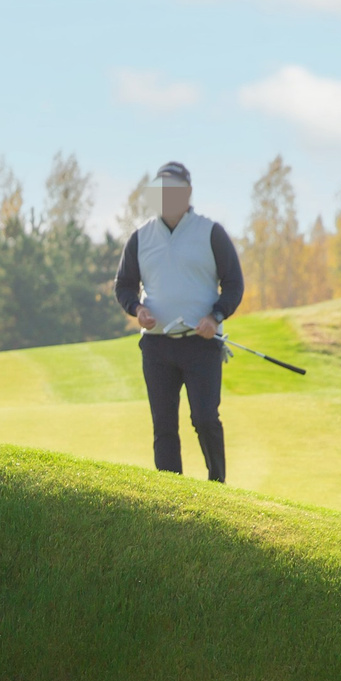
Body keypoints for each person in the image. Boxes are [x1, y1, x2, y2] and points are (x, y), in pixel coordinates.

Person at [114, 160, 245, 483]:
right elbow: (124, 286)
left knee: (204, 418)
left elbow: (234, 285)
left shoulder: (210, 233)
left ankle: (218, 486)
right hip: (157, 345)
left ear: (187, 193)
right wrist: (137, 309)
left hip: (201, 343)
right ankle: (172, 497)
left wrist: (215, 317)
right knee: (163, 425)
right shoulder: (141, 238)